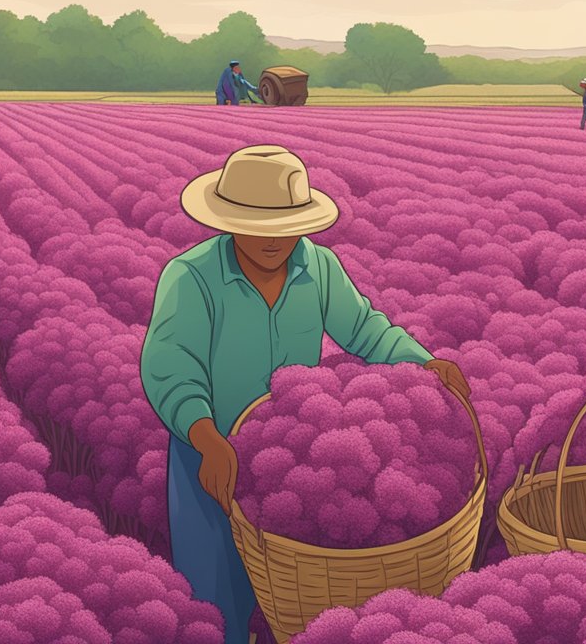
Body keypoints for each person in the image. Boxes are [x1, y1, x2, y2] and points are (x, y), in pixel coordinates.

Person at [140, 145, 471, 644]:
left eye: (287, 223)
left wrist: (423, 362)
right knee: (216, 602)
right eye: (259, 223)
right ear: (228, 220)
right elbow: (170, 364)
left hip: (294, 460)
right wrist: (205, 435)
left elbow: (365, 330)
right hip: (211, 460)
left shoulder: (318, 267)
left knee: (294, 603)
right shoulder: (191, 277)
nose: (276, 238)